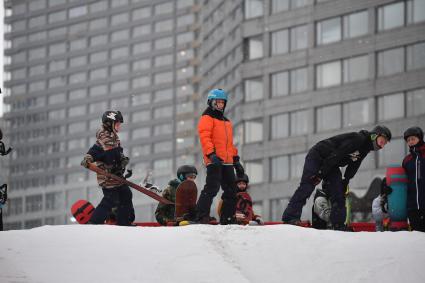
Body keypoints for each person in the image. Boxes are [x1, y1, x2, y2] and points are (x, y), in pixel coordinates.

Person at [282, 125, 392, 230]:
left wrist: (346, 180)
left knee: (338, 191)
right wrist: (320, 174)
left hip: (332, 163)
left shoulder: (364, 149)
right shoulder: (358, 139)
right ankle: (290, 217)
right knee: (308, 185)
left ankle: (338, 224)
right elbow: (338, 153)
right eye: (382, 141)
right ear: (374, 136)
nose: (382, 146)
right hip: (318, 155)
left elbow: (354, 165)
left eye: (384, 144)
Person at [196, 88, 244, 224]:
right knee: (212, 187)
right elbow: (205, 137)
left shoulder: (226, 121)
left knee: (231, 191)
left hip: (227, 161)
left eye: (223, 103)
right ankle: (201, 215)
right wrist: (211, 154)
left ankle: (228, 217)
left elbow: (229, 144)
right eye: (218, 102)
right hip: (214, 160)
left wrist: (236, 160)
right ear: (211, 102)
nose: (220, 105)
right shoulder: (207, 117)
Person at [81, 110, 134, 226]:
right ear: (109, 123)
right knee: (111, 200)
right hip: (107, 179)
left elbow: (117, 155)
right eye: (117, 124)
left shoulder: (115, 139)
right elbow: (93, 151)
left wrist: (123, 161)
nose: (119, 127)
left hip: (117, 177)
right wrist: (88, 159)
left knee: (126, 195)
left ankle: (124, 223)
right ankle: (94, 222)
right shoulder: (103, 141)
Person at [402, 126, 425, 232]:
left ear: (420, 139)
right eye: (408, 140)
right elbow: (402, 180)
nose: (410, 142)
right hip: (413, 207)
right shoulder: (407, 160)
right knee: (416, 237)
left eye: (413, 139)